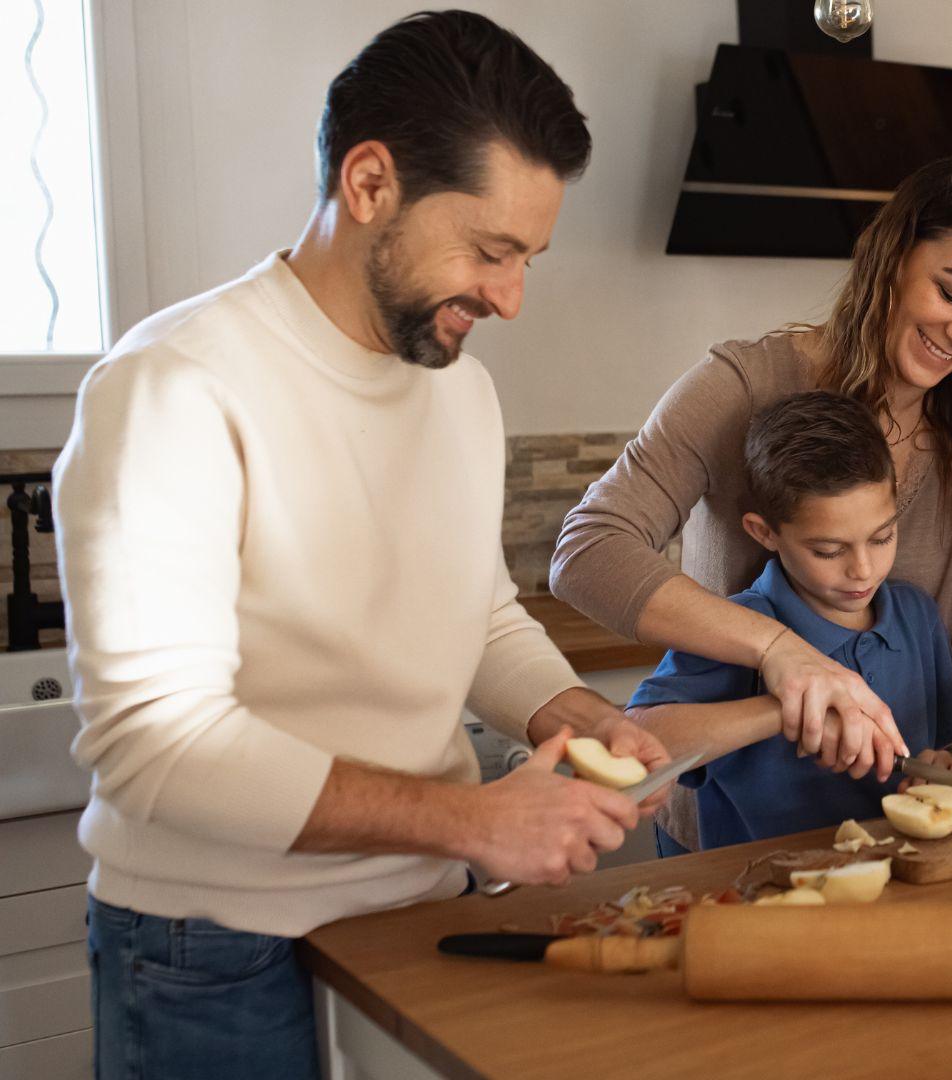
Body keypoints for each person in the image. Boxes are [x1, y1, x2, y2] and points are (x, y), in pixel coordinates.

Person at [53, 13, 670, 1077]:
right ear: (371, 182)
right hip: (216, 950)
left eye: (527, 258)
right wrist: (474, 821)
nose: (511, 298)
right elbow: (154, 746)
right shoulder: (175, 388)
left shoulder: (458, 393)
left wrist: (570, 711)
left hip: (415, 914)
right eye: (490, 250)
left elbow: (474, 616)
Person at [552, 151, 952, 853]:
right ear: (892, 257)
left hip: (895, 836)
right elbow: (589, 551)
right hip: (732, 841)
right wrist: (780, 652)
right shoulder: (744, 384)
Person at [625, 392, 952, 848]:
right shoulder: (737, 628)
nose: (863, 570)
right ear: (765, 532)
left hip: (894, 884)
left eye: (882, 537)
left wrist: (945, 769)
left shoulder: (916, 615)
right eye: (828, 551)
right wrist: (784, 710)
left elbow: (948, 747)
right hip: (761, 893)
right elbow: (640, 739)